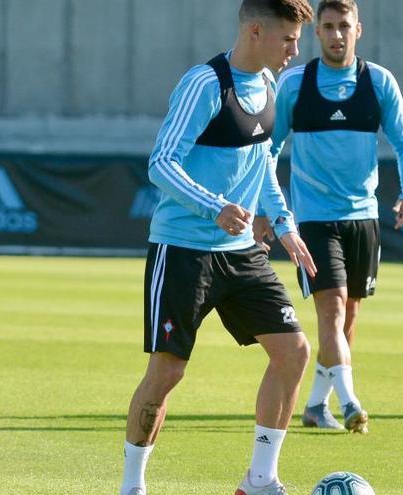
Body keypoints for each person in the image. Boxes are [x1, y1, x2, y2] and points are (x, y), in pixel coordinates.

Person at [119, 1, 316, 494]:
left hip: (244, 254)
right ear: (255, 31)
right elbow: (161, 163)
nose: (296, 50)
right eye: (289, 39)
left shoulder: (269, 86)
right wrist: (215, 206)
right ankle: (132, 486)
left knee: (293, 352)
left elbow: (263, 165)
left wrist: (286, 225)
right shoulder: (205, 84)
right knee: (168, 373)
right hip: (184, 250)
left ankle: (260, 480)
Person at [256, 0, 403, 434]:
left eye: (343, 26)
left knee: (347, 319)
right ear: (317, 33)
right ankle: (350, 404)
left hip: (363, 218)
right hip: (313, 220)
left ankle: (314, 405)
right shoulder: (295, 83)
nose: (336, 35)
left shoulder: (379, 82)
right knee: (330, 315)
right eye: (327, 27)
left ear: (358, 30)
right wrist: (268, 211)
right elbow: (266, 153)